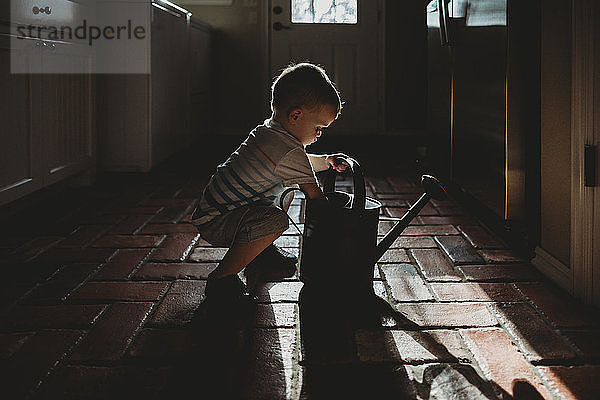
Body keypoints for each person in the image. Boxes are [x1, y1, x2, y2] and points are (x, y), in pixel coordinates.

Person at [191, 62, 350, 309]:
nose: (319, 135)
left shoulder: (271, 133)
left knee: (280, 197)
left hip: (216, 211)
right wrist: (344, 223)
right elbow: (315, 197)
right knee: (276, 220)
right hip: (218, 221)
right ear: (296, 115)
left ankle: (259, 251)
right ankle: (221, 280)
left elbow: (298, 164)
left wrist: (326, 161)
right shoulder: (288, 151)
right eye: (318, 128)